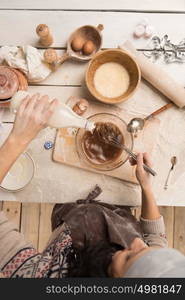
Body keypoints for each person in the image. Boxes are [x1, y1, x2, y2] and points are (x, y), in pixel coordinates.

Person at [0, 93, 185, 278]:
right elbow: (155, 239)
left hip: (70, 220)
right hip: (117, 212)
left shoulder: (41, 277)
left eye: (129, 257)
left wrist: (18, 138)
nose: (137, 241)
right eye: (146, 250)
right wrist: (146, 186)